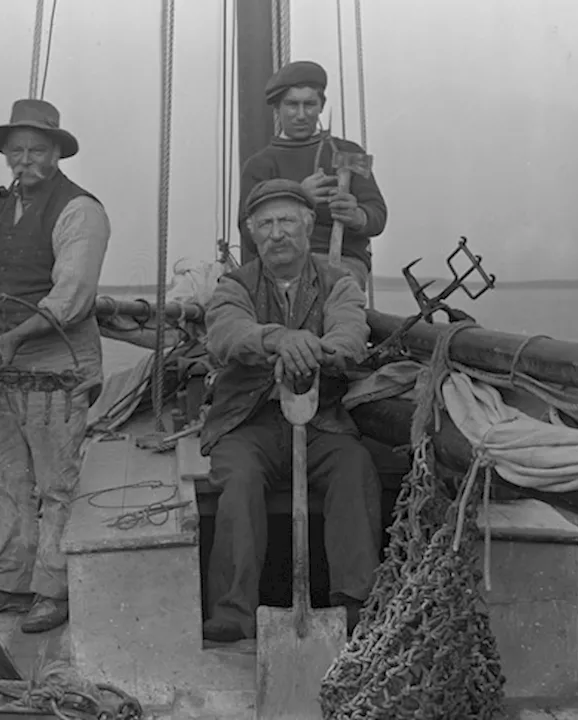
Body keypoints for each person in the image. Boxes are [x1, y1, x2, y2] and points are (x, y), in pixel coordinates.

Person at [201, 178, 382, 643]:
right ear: (252, 233)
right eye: (265, 224)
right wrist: (279, 338)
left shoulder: (339, 282)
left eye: (286, 221)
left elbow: (349, 335)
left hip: (319, 419)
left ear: (307, 226)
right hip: (248, 419)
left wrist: (312, 348)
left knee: (354, 467)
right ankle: (233, 613)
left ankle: (355, 605)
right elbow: (227, 333)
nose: (277, 232)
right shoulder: (232, 286)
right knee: (238, 483)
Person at [0, 99, 111, 634]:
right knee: (1, 474)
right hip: (6, 359)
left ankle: (54, 590)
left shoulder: (80, 210)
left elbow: (70, 295)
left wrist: (15, 335)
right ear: (6, 156)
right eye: (16, 151)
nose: (25, 160)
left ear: (56, 154)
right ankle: (9, 582)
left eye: (37, 150)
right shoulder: (0, 208)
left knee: (55, 481)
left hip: (59, 360)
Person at [238, 60, 388, 292]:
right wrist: (297, 197)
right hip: (278, 263)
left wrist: (358, 216)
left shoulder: (349, 153)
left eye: (309, 104)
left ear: (321, 106)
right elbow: (248, 237)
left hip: (342, 261)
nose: (300, 115)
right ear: (277, 108)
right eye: (291, 105)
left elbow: (378, 215)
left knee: (330, 290)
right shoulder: (259, 166)